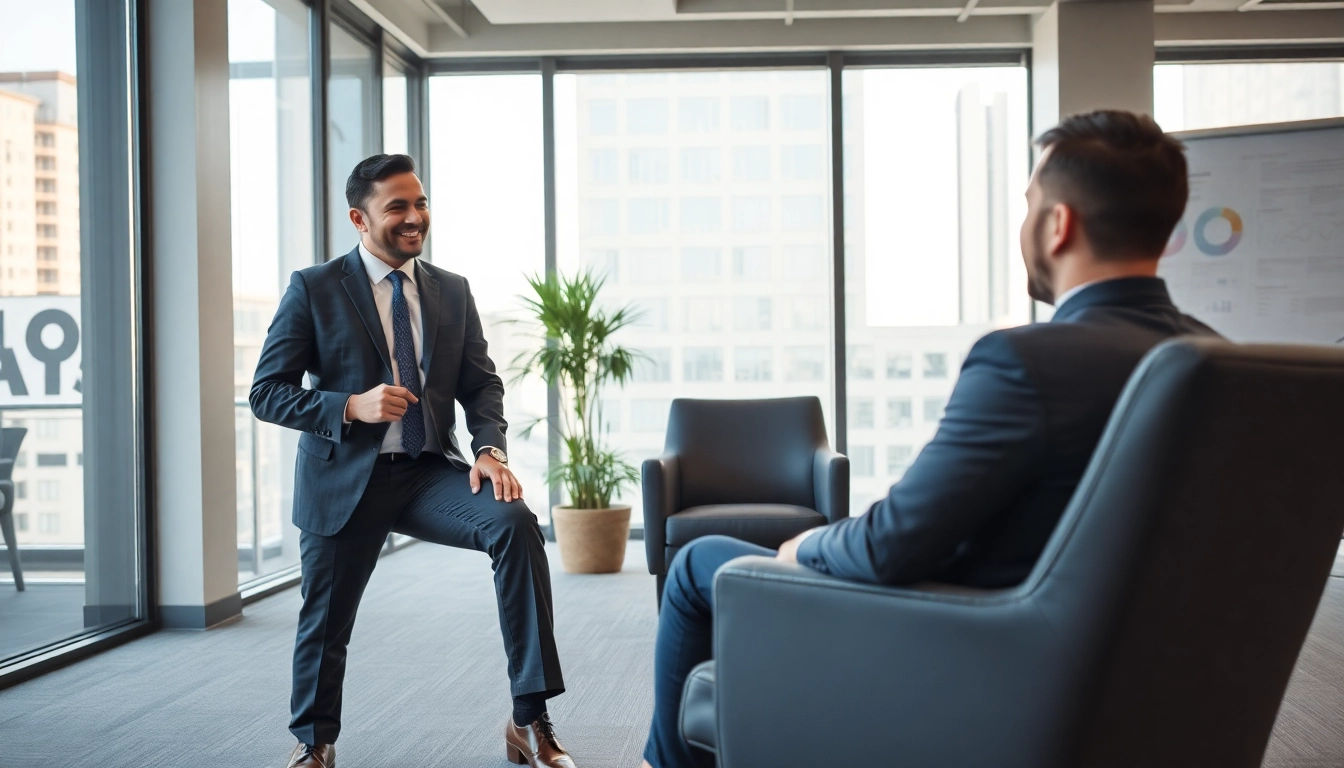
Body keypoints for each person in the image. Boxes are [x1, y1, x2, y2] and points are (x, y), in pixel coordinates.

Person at [637, 110, 1221, 768]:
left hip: (967, 648)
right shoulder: (1218, 362)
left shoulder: (1028, 363)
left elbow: (891, 546)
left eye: (1028, 204)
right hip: (1133, 678)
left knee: (696, 564)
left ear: (1058, 224)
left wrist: (806, 545)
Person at [251, 154, 577, 768]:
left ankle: (528, 719)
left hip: (427, 473)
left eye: (420, 203)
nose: (414, 217)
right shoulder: (315, 288)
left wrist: (489, 450)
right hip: (345, 478)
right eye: (396, 206)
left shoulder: (451, 289)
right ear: (359, 218)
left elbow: (481, 384)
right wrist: (350, 405)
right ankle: (315, 743)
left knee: (514, 524)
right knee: (326, 619)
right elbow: (267, 393)